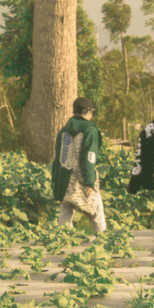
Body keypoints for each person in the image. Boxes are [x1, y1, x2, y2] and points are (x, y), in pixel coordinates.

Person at [51, 97, 107, 234]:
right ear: (89, 111)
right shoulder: (90, 129)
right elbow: (90, 156)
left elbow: (57, 159)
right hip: (81, 180)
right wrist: (89, 181)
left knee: (65, 215)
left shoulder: (64, 131)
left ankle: (63, 245)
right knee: (97, 212)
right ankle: (104, 243)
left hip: (64, 181)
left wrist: (56, 182)